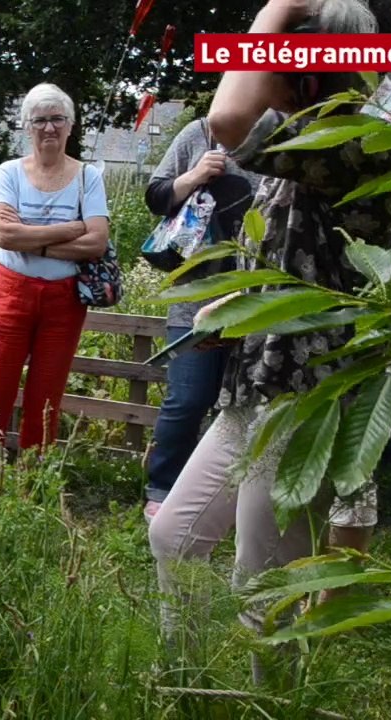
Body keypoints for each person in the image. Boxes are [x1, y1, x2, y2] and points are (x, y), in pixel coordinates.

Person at [147, 0, 391, 680]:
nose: (266, 77)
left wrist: (279, 5)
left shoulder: (374, 131)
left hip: (311, 385)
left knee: (262, 584)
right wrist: (243, 302)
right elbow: (315, 247)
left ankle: (270, 700)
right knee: (173, 535)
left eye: (282, 66)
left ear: (318, 68)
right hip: (268, 370)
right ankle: (184, 683)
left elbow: (226, 120)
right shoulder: (335, 120)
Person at [0, 83, 110, 453]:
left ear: (70, 125)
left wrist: (32, 238)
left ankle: (35, 479)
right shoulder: (9, 172)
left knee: (47, 394)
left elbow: (96, 242)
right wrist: (69, 230)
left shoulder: (87, 177)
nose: (49, 128)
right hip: (11, 290)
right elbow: (3, 233)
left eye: (57, 119)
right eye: (41, 120)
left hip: (64, 300)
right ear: (27, 127)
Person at [141, 119, 256, 520]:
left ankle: (239, 499)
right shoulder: (201, 132)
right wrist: (194, 175)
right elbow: (156, 196)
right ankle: (163, 489)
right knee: (187, 399)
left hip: (262, 297)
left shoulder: (287, 132)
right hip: (196, 296)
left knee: (252, 404)